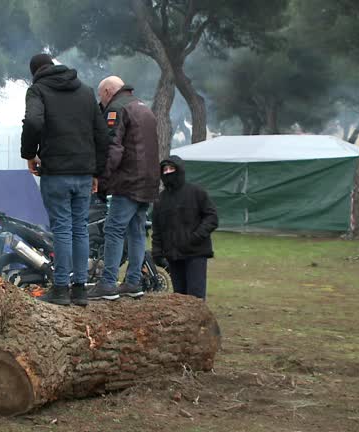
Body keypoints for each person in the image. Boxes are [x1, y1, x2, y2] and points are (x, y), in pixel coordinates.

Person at [21, 53, 109, 307]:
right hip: (83, 173)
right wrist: (96, 172)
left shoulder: (37, 90)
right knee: (80, 228)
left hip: (56, 172)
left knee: (61, 229)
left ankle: (61, 288)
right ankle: (80, 290)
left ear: (34, 72)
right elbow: (102, 134)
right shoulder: (86, 92)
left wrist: (29, 154)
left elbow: (33, 122)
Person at [89, 77, 159, 300]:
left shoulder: (117, 108)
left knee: (114, 229)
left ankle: (108, 283)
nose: (101, 102)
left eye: (101, 96)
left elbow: (113, 148)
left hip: (128, 181)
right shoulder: (144, 108)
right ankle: (133, 282)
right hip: (148, 181)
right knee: (137, 231)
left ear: (107, 91)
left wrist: (100, 178)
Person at [152, 156, 218, 300]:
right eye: (165, 170)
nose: (168, 172)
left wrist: (195, 237)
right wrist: (157, 251)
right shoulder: (160, 200)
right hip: (173, 256)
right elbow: (157, 229)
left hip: (196, 253)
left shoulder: (196, 192)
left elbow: (212, 218)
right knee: (179, 300)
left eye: (171, 168)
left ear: (180, 170)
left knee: (195, 298)